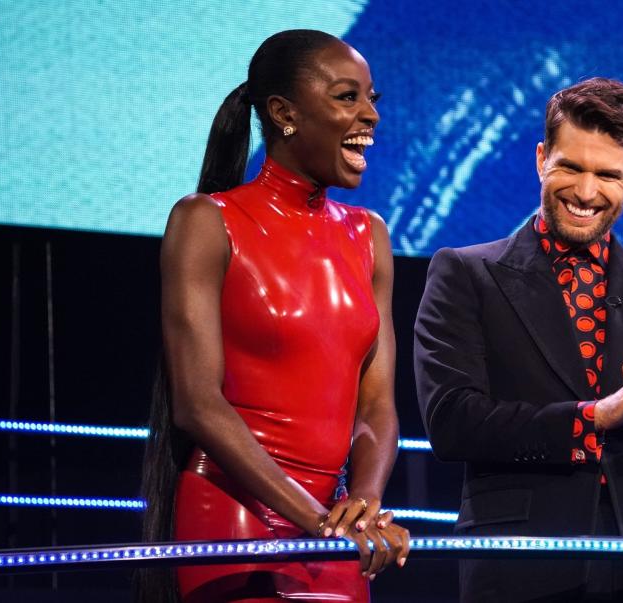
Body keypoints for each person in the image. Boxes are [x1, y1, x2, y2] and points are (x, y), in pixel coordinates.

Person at [413, 77, 623, 602]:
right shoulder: (466, 273)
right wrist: (597, 417)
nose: (586, 193)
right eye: (571, 167)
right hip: (521, 567)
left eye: (608, 174)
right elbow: (452, 423)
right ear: (542, 158)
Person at [136, 30, 409, 602]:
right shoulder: (206, 221)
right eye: (345, 97)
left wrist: (363, 504)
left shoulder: (370, 236)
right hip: (236, 515)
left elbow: (377, 403)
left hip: (335, 528)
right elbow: (196, 404)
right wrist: (314, 520)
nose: (369, 115)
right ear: (284, 114)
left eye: (371, 99)